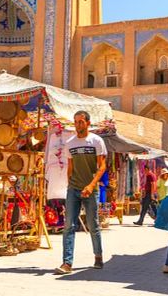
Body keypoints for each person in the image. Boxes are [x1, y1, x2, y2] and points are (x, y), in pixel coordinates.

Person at [55, 110, 107, 275]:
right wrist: (71, 184)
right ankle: (67, 263)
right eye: (76, 122)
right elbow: (70, 167)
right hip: (74, 189)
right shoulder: (70, 143)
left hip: (91, 190)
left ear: (87, 123)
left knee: (93, 225)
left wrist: (91, 186)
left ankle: (98, 256)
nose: (78, 125)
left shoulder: (96, 141)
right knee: (68, 226)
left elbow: (102, 166)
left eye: (81, 122)